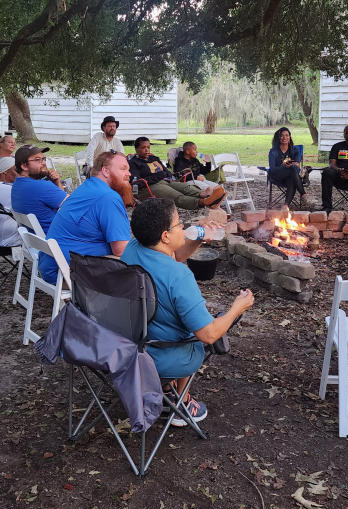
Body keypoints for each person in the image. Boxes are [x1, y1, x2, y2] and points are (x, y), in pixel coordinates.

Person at [121, 198, 254, 426]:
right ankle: (179, 402)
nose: (183, 227)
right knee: (197, 338)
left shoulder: (134, 248)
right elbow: (209, 335)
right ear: (165, 236)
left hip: (125, 343)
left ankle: (166, 391)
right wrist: (237, 308)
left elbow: (175, 256)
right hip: (158, 356)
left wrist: (197, 239)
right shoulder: (179, 276)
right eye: (179, 224)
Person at [37, 150, 132, 284]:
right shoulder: (108, 197)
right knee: (147, 259)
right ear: (105, 171)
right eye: (123, 169)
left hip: (52, 266)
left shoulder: (87, 187)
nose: (129, 174)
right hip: (67, 274)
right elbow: (121, 250)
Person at [129, 137, 225, 209]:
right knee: (177, 196)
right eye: (143, 148)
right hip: (150, 186)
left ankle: (207, 196)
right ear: (136, 149)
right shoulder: (134, 163)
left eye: (148, 147)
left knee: (184, 187)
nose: (147, 150)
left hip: (165, 181)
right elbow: (137, 182)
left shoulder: (154, 158)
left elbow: (166, 171)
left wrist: (170, 176)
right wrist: (159, 176)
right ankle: (203, 202)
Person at [10, 144, 68, 235]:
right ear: (24, 166)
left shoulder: (17, 185)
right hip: (59, 240)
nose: (44, 163)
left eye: (43, 159)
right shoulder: (41, 186)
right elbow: (73, 206)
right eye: (37, 160)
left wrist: (57, 182)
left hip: (39, 242)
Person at [267, 126, 306, 207]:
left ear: (289, 137)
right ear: (278, 138)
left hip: (292, 175)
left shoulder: (295, 150)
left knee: (292, 175)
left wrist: (294, 165)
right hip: (277, 175)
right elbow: (273, 169)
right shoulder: (273, 151)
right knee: (292, 168)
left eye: (287, 135)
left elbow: (297, 164)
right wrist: (283, 166)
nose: (284, 137)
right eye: (282, 135)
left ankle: (285, 206)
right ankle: (303, 193)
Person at [0, 156, 21, 248]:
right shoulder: (11, 191)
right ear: (5, 172)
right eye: (17, 170)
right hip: (8, 240)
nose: (20, 173)